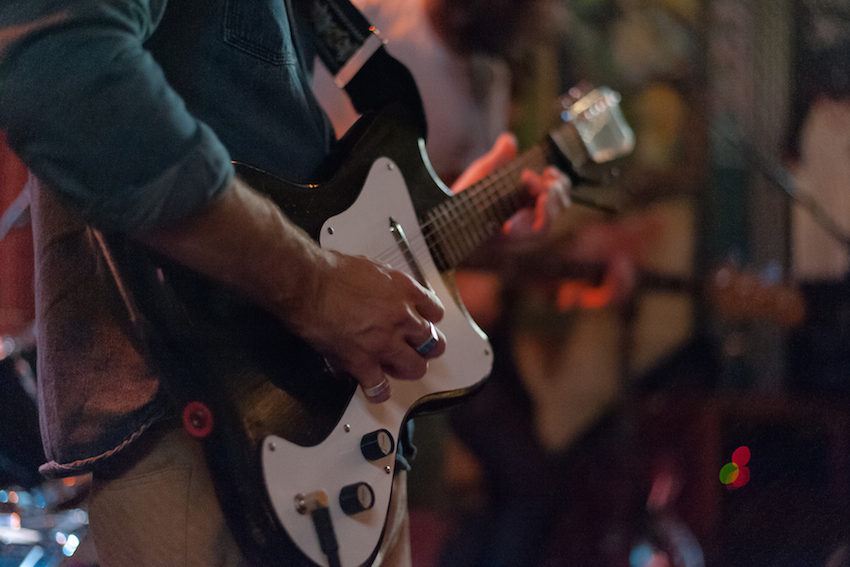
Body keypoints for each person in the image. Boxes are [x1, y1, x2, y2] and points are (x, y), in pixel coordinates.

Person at [0, 0, 571, 564]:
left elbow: (297, 194)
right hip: (207, 431)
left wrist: (439, 223)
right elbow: (57, 66)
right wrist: (314, 288)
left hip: (339, 436)